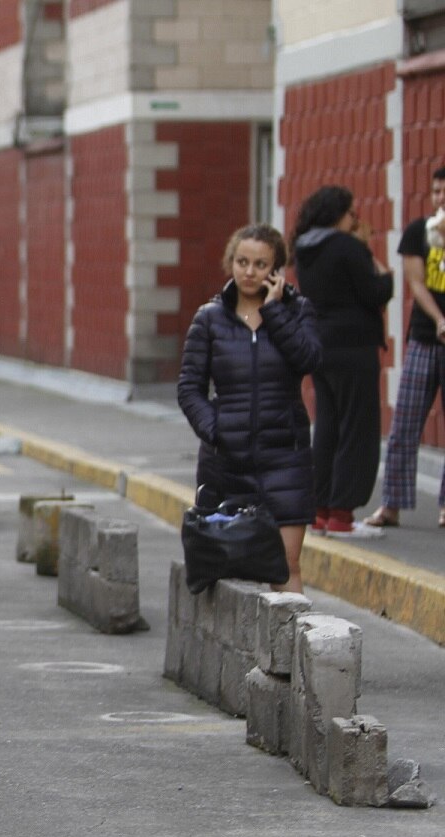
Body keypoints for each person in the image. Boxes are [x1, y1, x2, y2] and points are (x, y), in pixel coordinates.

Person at [178, 225, 323, 593]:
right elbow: (189, 389)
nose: (249, 271)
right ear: (231, 262)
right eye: (242, 261)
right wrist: (217, 429)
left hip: (285, 458)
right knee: (217, 566)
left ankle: (289, 650)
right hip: (226, 460)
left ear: (277, 269)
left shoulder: (297, 311)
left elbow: (309, 358)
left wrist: (274, 312)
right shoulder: (209, 318)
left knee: (286, 564)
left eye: (261, 264)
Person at [292, 185, 394, 539]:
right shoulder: (348, 247)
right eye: (352, 214)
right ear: (338, 214)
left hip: (321, 345)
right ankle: (342, 515)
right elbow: (377, 291)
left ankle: (320, 509)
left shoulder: (304, 249)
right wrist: (370, 253)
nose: (356, 220)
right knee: (357, 427)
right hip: (354, 346)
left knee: (327, 426)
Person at [366, 166, 445, 531]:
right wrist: (440, 320)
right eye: (435, 192)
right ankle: (392, 505)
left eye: (444, 192)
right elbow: (416, 282)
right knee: (405, 423)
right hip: (425, 338)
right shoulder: (419, 233)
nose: (439, 199)